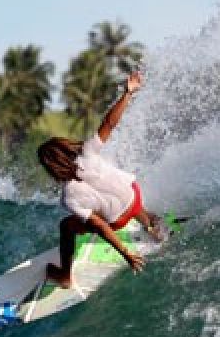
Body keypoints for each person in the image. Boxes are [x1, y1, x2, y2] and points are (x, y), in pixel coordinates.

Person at [36, 70, 162, 288]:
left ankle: (65, 276)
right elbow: (109, 123)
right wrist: (128, 93)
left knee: (67, 226)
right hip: (135, 196)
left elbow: (102, 226)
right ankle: (152, 225)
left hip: (119, 219)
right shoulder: (87, 151)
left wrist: (126, 254)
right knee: (123, 193)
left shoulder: (69, 196)